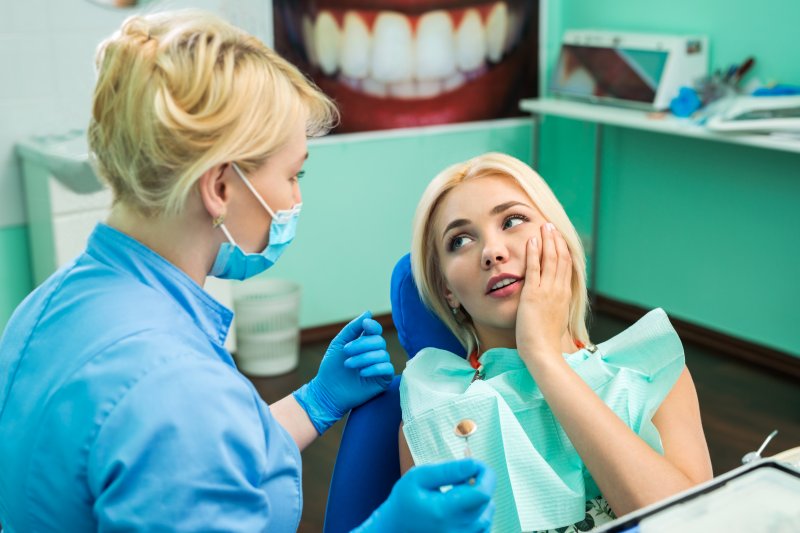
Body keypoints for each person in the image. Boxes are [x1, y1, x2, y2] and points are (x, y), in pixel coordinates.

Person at [0, 11, 495, 532]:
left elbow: (198, 463)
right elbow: (186, 433)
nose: (296, 198)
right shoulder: (175, 388)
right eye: (292, 174)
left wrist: (317, 400)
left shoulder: (49, 305)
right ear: (219, 187)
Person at [398, 153, 713, 532]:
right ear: (447, 290)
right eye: (460, 240)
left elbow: (693, 524)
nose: (492, 252)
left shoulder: (654, 375)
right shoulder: (435, 415)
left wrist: (543, 357)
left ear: (559, 239)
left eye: (512, 220)